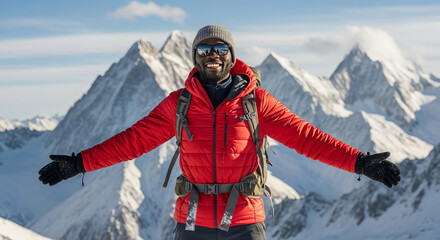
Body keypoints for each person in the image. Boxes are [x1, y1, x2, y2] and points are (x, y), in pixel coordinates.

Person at [38, 25, 401, 240]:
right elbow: (132, 141)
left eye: (219, 49)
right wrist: (79, 163)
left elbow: (307, 138)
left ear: (231, 56)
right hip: (191, 222)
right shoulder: (178, 104)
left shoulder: (257, 102)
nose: (212, 54)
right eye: (204, 49)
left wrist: (360, 162)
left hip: (245, 221)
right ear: (195, 58)